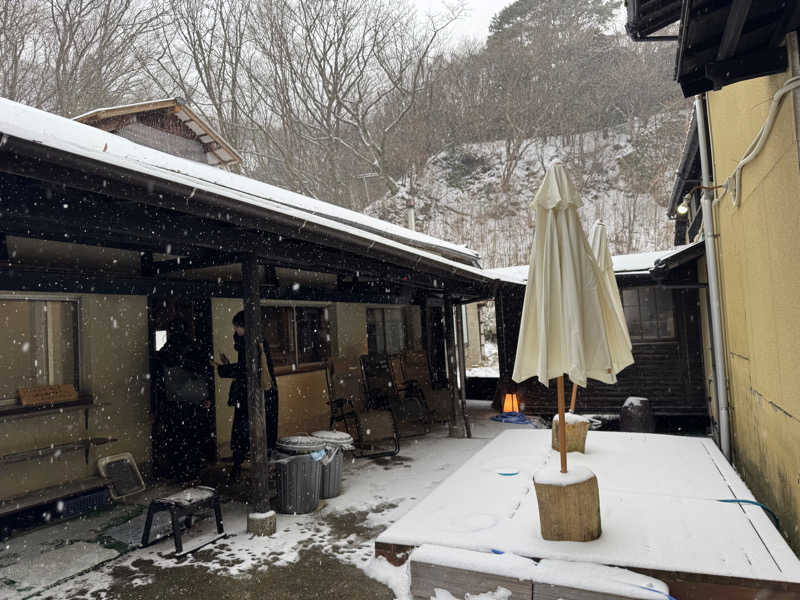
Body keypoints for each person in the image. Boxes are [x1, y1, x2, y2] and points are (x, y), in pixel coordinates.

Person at [216, 311, 278, 480]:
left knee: (246, 430)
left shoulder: (251, 344)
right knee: (253, 431)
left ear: (244, 327)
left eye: (237, 327)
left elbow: (247, 370)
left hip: (255, 395)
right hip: (260, 393)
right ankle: (251, 463)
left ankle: (246, 467)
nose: (235, 331)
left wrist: (224, 369)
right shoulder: (254, 341)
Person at [155, 318, 211, 481]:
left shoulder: (166, 350)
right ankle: (193, 470)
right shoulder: (195, 348)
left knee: (176, 438)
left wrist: (158, 405)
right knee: (193, 437)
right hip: (194, 401)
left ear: (170, 331)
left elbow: (160, 376)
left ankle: (177, 471)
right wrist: (205, 396)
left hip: (173, 401)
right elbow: (203, 371)